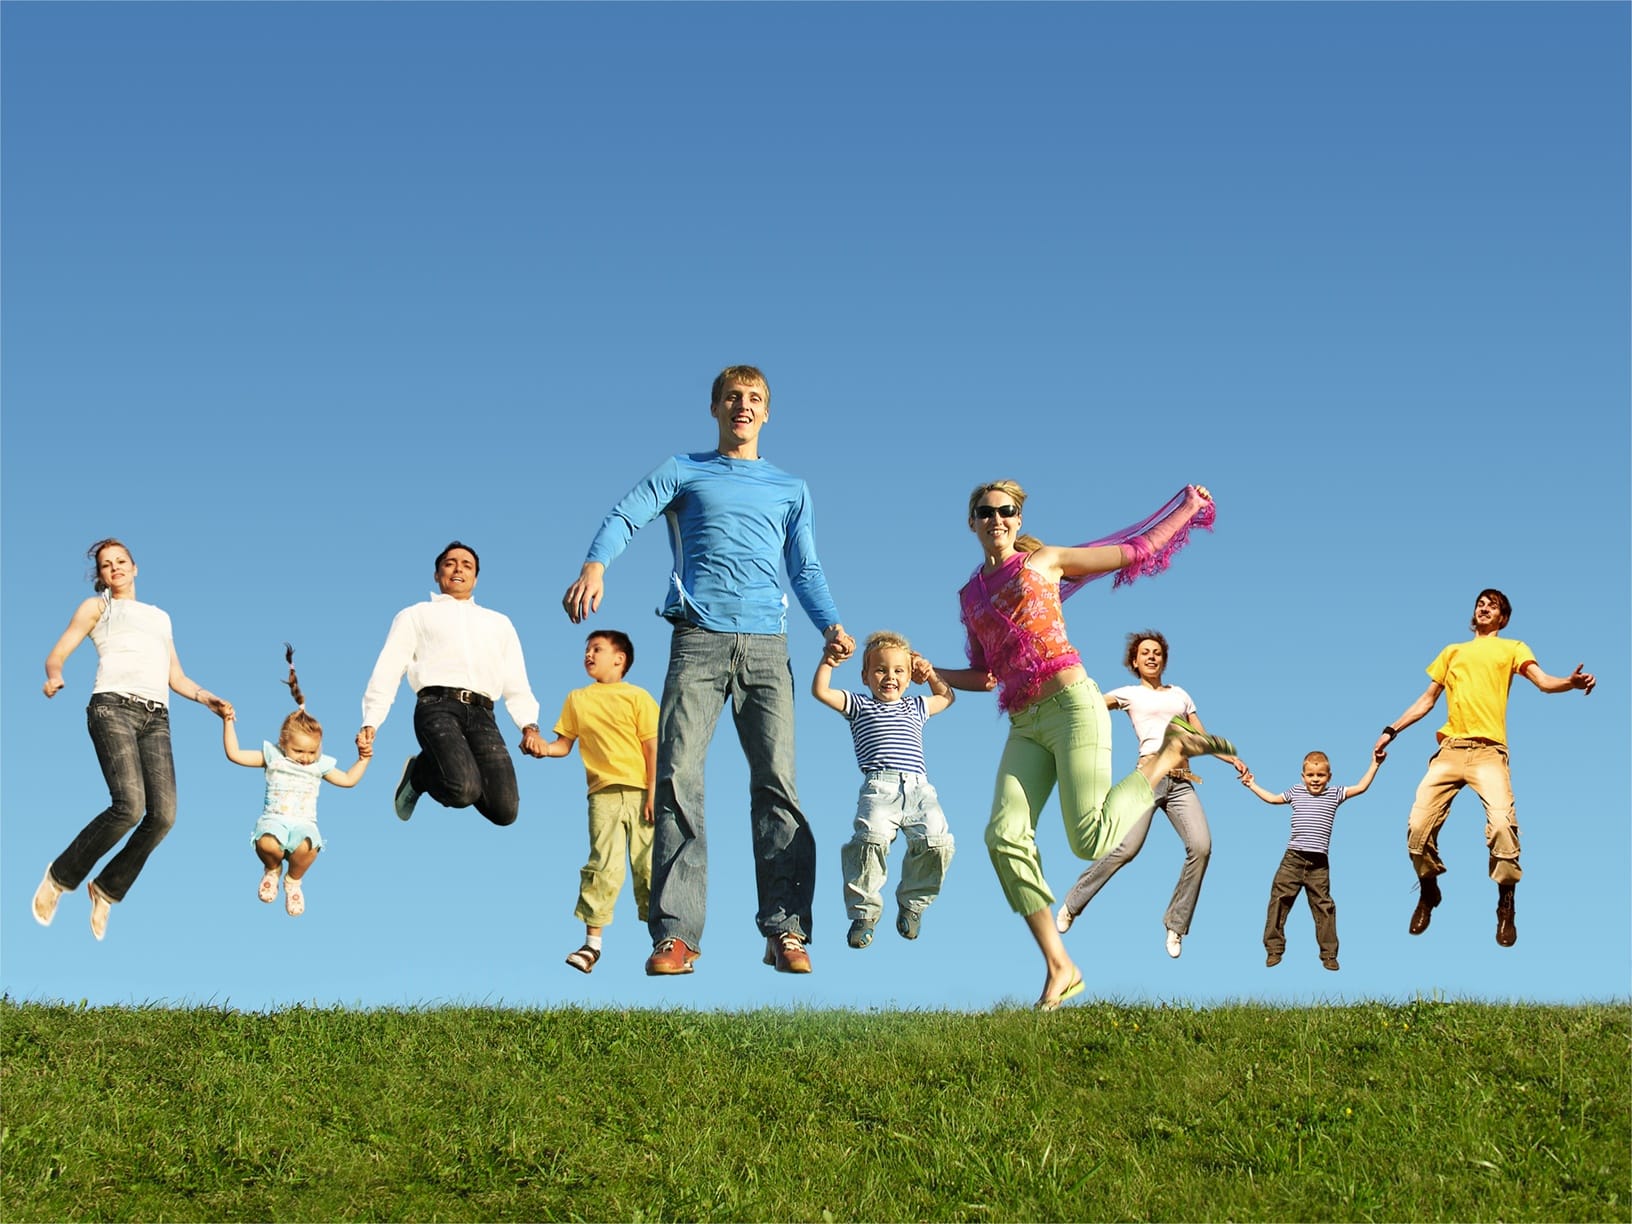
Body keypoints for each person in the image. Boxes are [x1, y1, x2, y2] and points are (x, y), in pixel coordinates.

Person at [562, 365, 854, 977]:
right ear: (716, 408)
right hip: (698, 640)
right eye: (732, 398)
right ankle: (676, 937)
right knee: (676, 778)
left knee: (778, 785)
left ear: (766, 413)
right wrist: (596, 564)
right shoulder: (684, 470)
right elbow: (626, 514)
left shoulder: (791, 487)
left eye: (754, 399)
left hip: (769, 646)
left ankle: (786, 930)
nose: (742, 407)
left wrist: (828, 624)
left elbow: (804, 569)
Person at [934, 481, 1233, 1011]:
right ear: (972, 522)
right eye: (986, 512)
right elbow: (986, 675)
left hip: (1073, 706)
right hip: (1025, 720)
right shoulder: (970, 596)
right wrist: (929, 671)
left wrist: (1187, 509)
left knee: (1090, 841)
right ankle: (1061, 967)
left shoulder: (1045, 562)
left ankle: (1166, 756)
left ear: (1018, 520)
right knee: (1003, 836)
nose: (997, 519)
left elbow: (1137, 550)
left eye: (1007, 511)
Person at [34, 538, 235, 940]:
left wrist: (205, 697)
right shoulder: (97, 608)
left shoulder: (160, 617)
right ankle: (59, 877)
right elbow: (57, 653)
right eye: (106, 565)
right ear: (101, 576)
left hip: (156, 718)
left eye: (121, 561)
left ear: (135, 567)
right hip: (112, 708)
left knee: (164, 816)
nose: (115, 568)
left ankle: (106, 889)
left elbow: (175, 675)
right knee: (128, 806)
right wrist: (55, 675)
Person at [1373, 588, 1595, 948]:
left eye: (1493, 605)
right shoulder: (1452, 652)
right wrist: (1390, 730)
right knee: (1416, 827)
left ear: (1502, 618)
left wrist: (1569, 683)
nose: (1485, 607)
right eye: (1481, 603)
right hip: (1449, 751)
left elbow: (1542, 681)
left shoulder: (1513, 648)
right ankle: (1429, 890)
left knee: (1504, 826)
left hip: (1489, 753)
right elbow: (1426, 700)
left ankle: (1506, 901)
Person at [1056, 630, 1243, 959]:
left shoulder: (1181, 695)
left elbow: (1202, 736)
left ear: (1164, 659)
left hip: (1181, 780)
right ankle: (1072, 903)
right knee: (1127, 848)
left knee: (1201, 847)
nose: (1152, 657)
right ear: (1135, 661)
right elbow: (1094, 706)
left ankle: (1176, 923)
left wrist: (1229, 757)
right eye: (1145, 653)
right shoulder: (1130, 693)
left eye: (1157, 652)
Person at [359, 541, 546, 827]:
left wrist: (529, 725)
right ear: (437, 575)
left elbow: (516, 681)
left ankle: (427, 768)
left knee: (505, 810)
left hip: (484, 714)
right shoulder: (416, 614)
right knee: (463, 790)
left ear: (476, 578)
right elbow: (389, 667)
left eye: (467, 565)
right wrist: (372, 719)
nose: (458, 568)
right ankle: (420, 773)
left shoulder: (499, 623)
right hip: (437, 708)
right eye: (449, 563)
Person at [811, 630, 956, 950]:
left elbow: (946, 697)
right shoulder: (859, 705)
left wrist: (930, 673)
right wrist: (829, 660)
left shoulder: (916, 706)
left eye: (898, 671)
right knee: (870, 839)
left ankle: (913, 904)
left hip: (920, 790)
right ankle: (863, 914)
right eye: (880, 669)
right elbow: (821, 690)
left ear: (908, 677)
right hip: (880, 787)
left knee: (937, 842)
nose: (889, 676)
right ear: (865, 676)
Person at [537, 630, 660, 975]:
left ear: (619, 659)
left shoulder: (639, 698)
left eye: (597, 649)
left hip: (640, 792)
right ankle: (592, 946)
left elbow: (653, 748)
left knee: (649, 866)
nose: (589, 655)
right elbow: (562, 745)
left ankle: (663, 940)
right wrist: (542, 748)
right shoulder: (577, 699)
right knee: (603, 866)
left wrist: (654, 792)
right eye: (587, 650)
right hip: (602, 796)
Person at [219, 646, 372, 916]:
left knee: (308, 847)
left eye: (312, 751)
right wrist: (228, 722)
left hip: (304, 823)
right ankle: (272, 869)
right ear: (283, 743)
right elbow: (234, 754)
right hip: (274, 820)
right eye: (299, 751)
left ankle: (293, 881)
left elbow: (348, 780)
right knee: (267, 842)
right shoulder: (274, 757)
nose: (305, 757)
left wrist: (363, 758)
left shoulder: (319, 766)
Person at [1239, 747, 1383, 970]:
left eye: (1321, 775)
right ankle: (1274, 949)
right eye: (1311, 775)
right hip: (1293, 859)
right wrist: (1251, 784)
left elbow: (1361, 787)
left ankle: (1329, 954)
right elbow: (1273, 799)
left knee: (1324, 907)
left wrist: (1375, 763)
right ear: (1303, 776)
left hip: (1318, 865)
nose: (1315, 780)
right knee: (1278, 900)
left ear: (1329, 777)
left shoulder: (1335, 794)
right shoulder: (1296, 792)